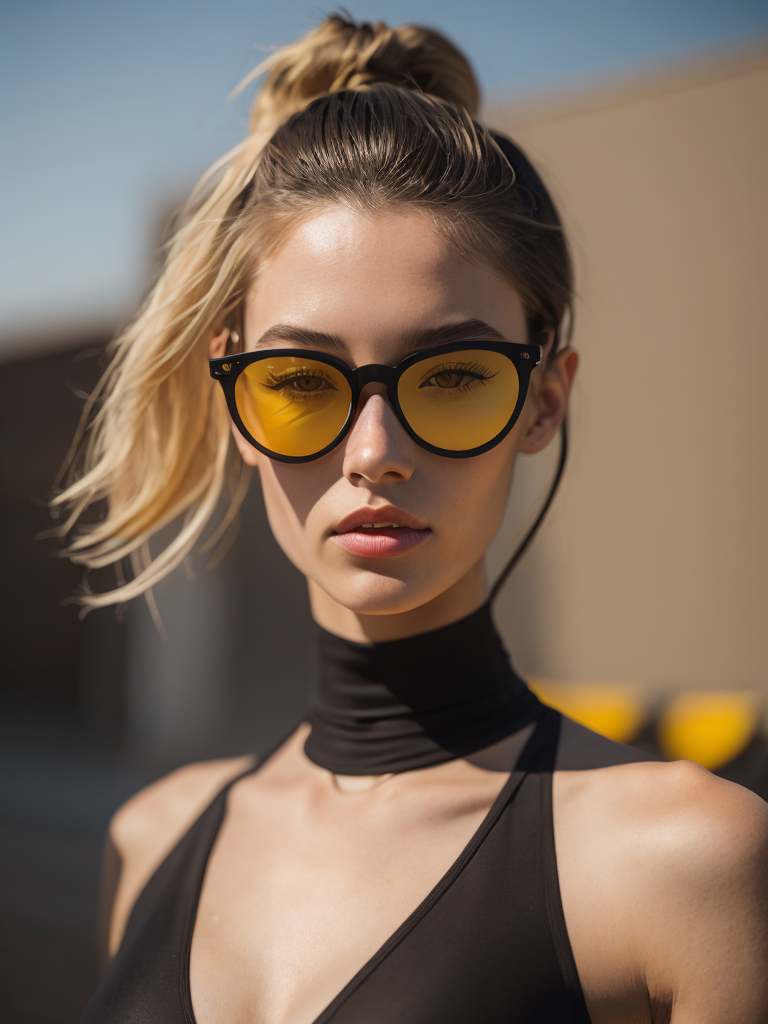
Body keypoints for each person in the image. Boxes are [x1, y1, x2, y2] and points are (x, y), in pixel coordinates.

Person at [55, 14, 767, 1024]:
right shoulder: (149, 840)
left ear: (544, 400)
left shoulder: (686, 863)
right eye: (301, 381)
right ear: (235, 403)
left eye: (453, 377)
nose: (374, 451)